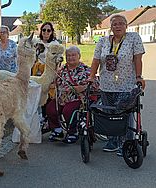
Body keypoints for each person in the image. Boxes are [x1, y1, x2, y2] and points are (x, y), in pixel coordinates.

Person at [89, 14, 145, 156]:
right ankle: (113, 141)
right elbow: (96, 60)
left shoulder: (134, 38)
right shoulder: (103, 41)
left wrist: (139, 77)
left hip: (126, 84)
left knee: (124, 112)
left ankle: (126, 143)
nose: (118, 26)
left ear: (126, 26)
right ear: (111, 27)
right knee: (109, 113)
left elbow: (138, 59)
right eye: (114, 24)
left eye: (121, 23)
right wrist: (91, 77)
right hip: (107, 84)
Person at [46, 46, 95, 144]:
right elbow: (55, 81)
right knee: (50, 108)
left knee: (68, 111)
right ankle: (57, 130)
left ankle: (73, 132)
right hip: (62, 98)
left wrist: (83, 87)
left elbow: (95, 84)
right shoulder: (61, 70)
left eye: (73, 55)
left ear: (79, 56)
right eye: (68, 55)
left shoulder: (86, 70)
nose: (70, 58)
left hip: (77, 99)